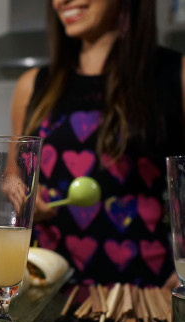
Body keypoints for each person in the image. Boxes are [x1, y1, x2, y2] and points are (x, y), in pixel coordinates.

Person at [11, 0, 185, 286]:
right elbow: (13, 179)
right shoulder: (33, 85)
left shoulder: (174, 75)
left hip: (143, 291)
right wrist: (23, 197)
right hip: (46, 286)